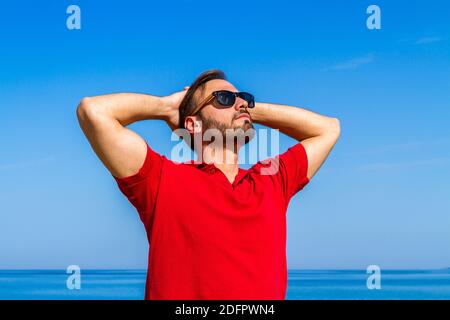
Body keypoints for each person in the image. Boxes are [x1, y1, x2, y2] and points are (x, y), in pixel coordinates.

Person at [76, 69, 340, 299]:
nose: (240, 104)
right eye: (223, 99)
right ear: (192, 123)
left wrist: (245, 109)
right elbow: (93, 111)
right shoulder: (161, 180)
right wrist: (167, 107)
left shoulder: (272, 180)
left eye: (244, 98)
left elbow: (329, 128)